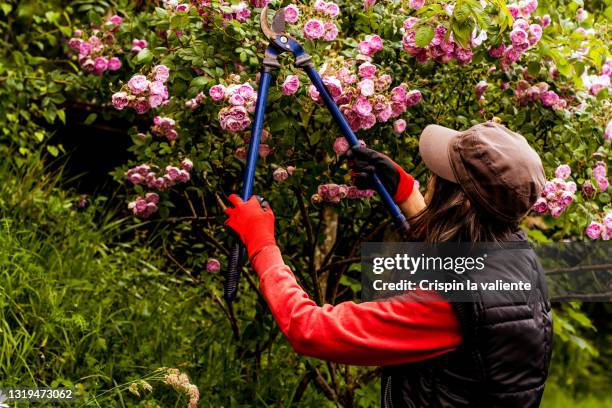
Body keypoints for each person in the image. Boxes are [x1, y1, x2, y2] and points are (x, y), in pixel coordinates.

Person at [224, 122, 553, 407]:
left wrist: (262, 244)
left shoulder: (445, 306)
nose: (431, 178)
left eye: (438, 176)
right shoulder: (518, 257)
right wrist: (404, 190)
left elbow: (310, 330)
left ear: (461, 201)